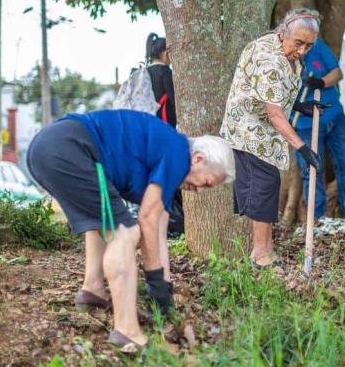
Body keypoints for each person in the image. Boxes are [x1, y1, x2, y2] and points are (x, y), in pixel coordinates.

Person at [27, 110, 234, 350]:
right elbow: (145, 220)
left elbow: (157, 228)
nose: (199, 191)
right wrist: (155, 283)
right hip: (69, 147)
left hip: (48, 148)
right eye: (206, 183)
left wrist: (163, 291)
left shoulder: (166, 157)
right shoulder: (178, 152)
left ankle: (93, 291)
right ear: (197, 159)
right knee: (125, 232)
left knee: (105, 218)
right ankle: (127, 330)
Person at [221, 8, 325, 268]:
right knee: (262, 186)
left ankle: (265, 250)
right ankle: (260, 254)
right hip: (249, 130)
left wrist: (299, 106)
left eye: (308, 46)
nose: (302, 51)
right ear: (282, 34)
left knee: (266, 186)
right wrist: (302, 148)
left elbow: (274, 98)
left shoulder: (286, 51)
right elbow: (274, 112)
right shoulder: (271, 60)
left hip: (263, 126)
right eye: (298, 43)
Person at [293, 37, 345, 221]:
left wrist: (321, 82)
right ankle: (316, 220)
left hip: (335, 116)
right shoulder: (283, 55)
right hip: (305, 126)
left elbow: (337, 73)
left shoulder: (317, 45)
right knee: (312, 170)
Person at [145, 32, 183, 235]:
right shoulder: (165, 73)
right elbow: (174, 103)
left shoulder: (142, 73)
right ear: (165, 52)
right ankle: (173, 223)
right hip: (165, 127)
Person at [145, 32, 177, 127]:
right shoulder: (166, 71)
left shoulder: (145, 71)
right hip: (163, 120)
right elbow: (173, 98)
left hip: (147, 120)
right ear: (166, 53)